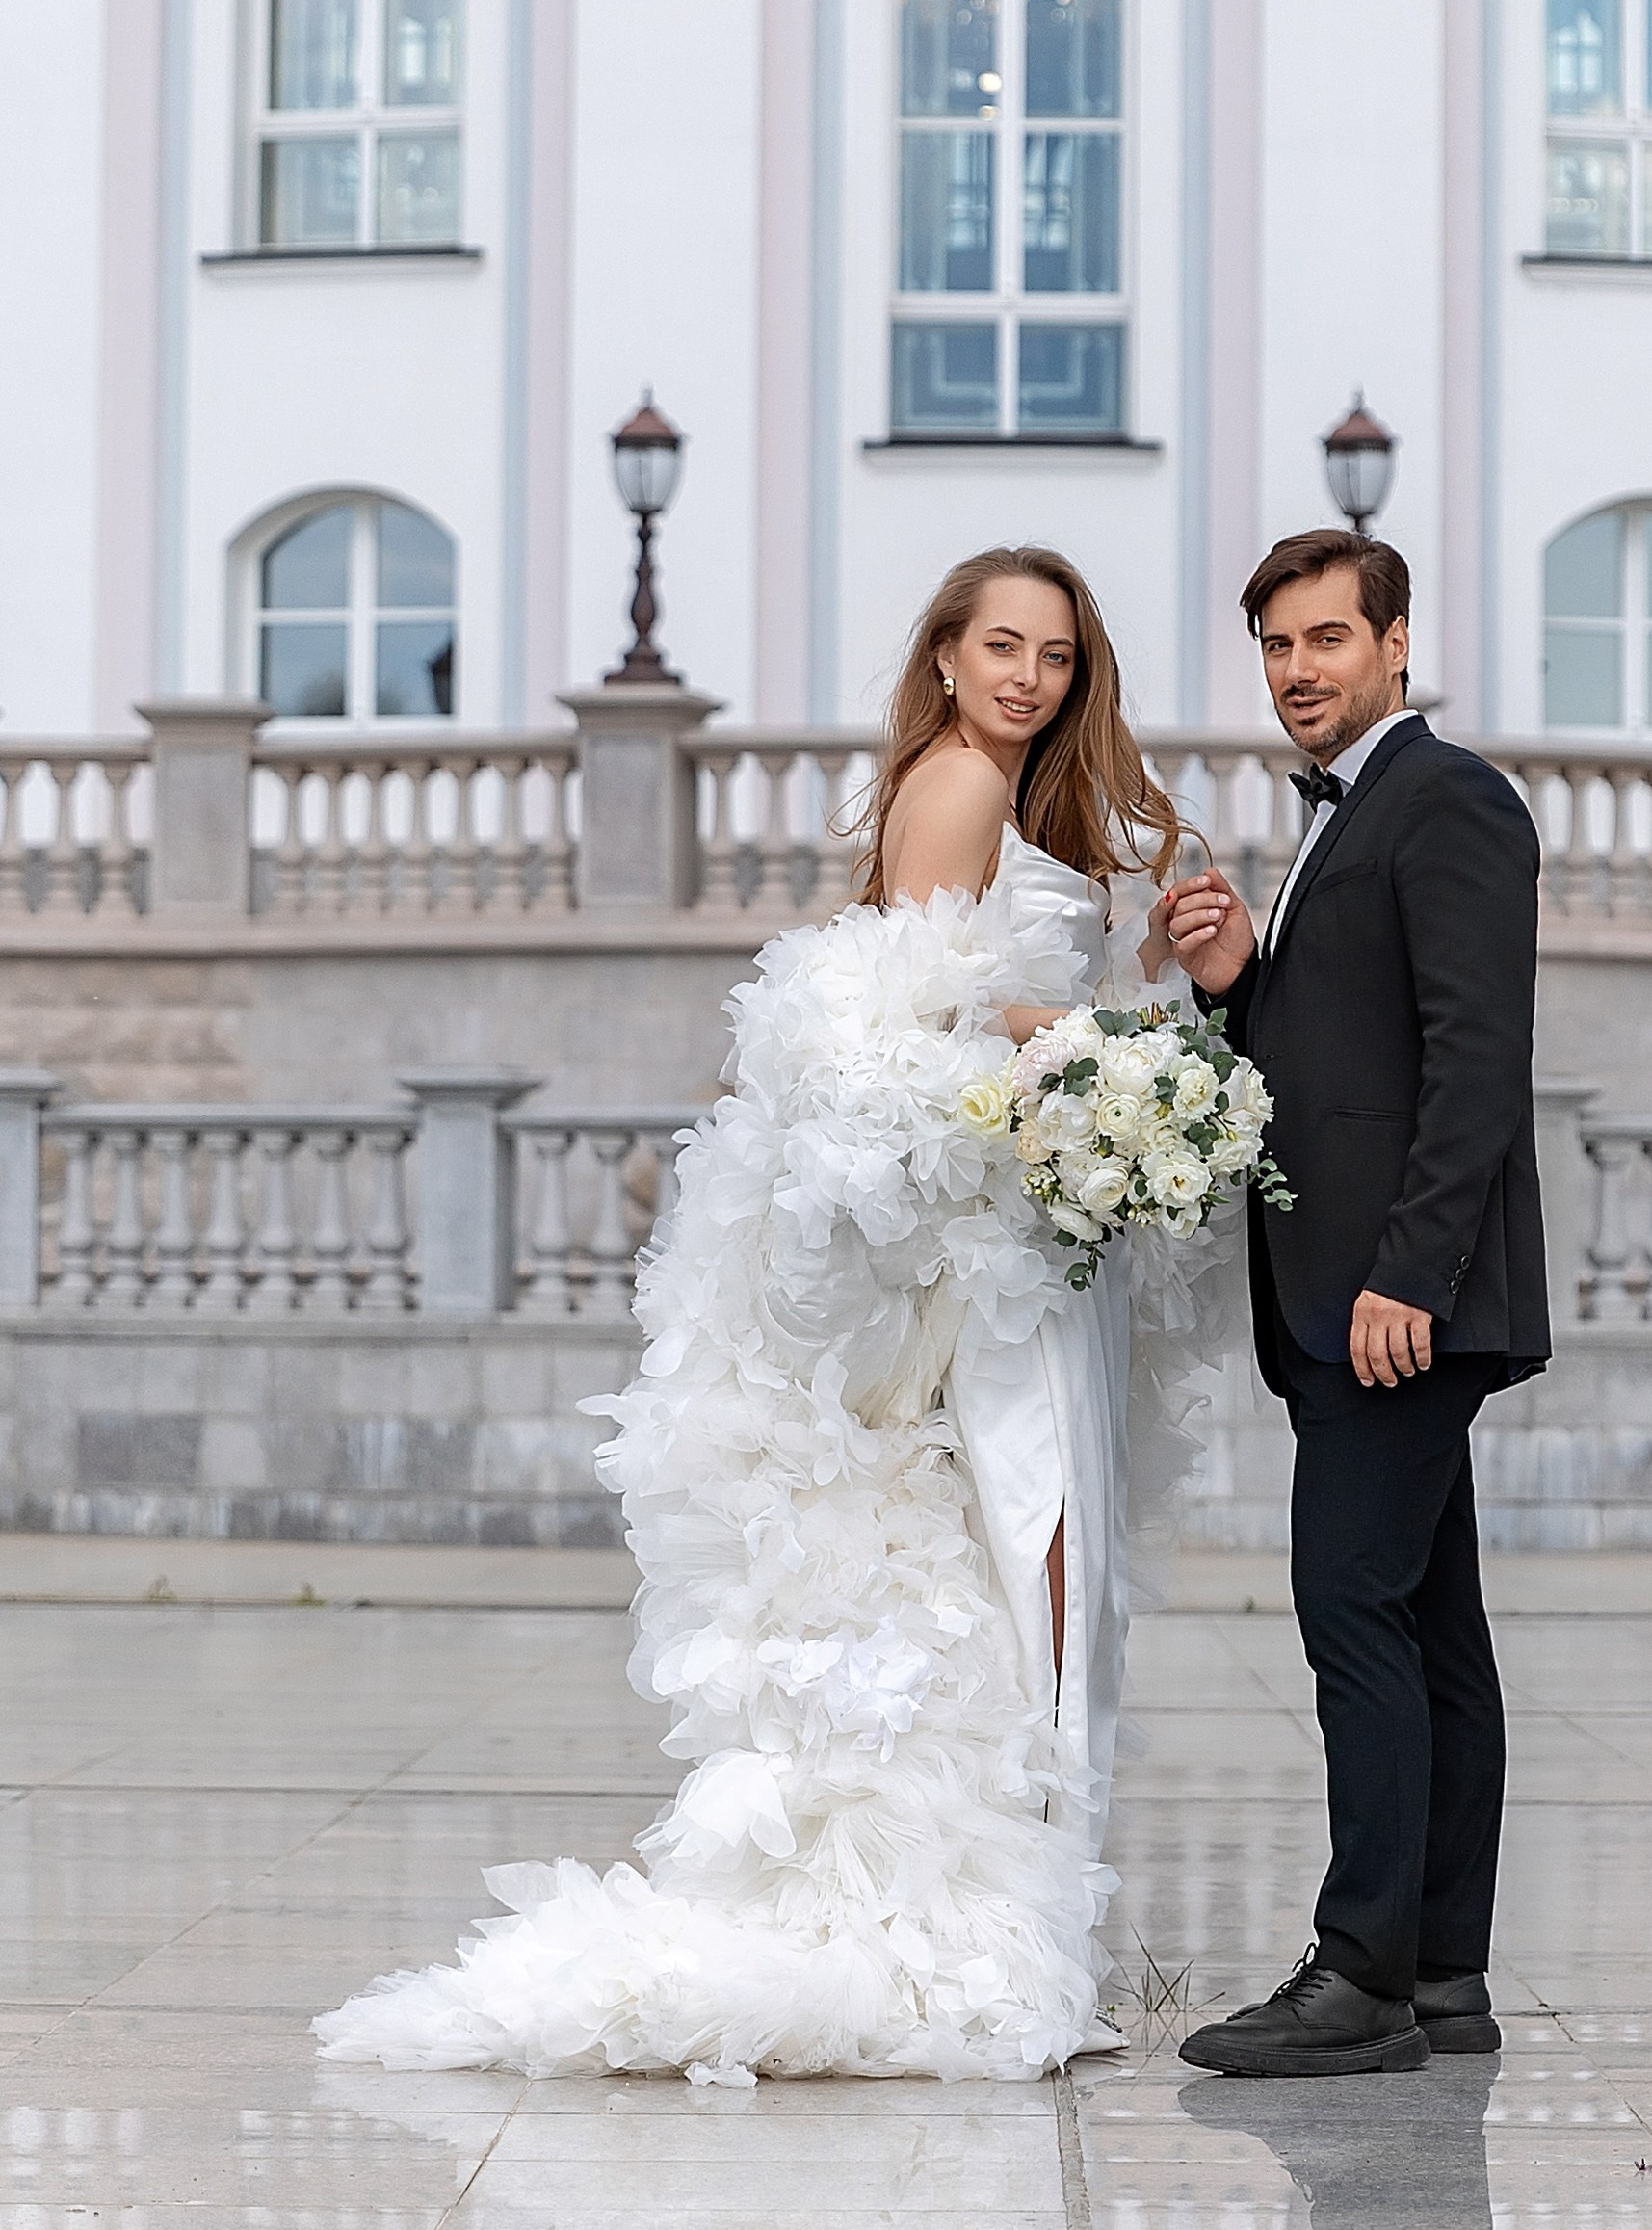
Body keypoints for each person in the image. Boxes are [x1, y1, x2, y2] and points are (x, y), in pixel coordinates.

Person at [316, 547, 1228, 2084]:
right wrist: (1090, 1047)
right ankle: (1011, 1956)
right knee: (1039, 1566)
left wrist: (1129, 1006)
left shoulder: (1016, 802)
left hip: (1029, 1236)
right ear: (943, 657)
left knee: (1044, 1576)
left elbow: (964, 999)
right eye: (998, 646)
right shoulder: (955, 788)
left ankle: (1027, 1933)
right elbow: (885, 1026)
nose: (1025, 678)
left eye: (1055, 657)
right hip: (991, 1256)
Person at [1161, 528, 1548, 2079]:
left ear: (1394, 641)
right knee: (1430, 1629)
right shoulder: (1345, 814)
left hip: (1393, 1298)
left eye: (1325, 639)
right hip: (1357, 1290)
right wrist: (1238, 978)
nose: (1297, 672)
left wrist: (1410, 1273)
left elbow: (1473, 1061)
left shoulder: (1446, 797)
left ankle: (1360, 1974)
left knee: (1349, 1613)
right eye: (1274, 647)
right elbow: (1346, 1052)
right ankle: (1443, 1973)